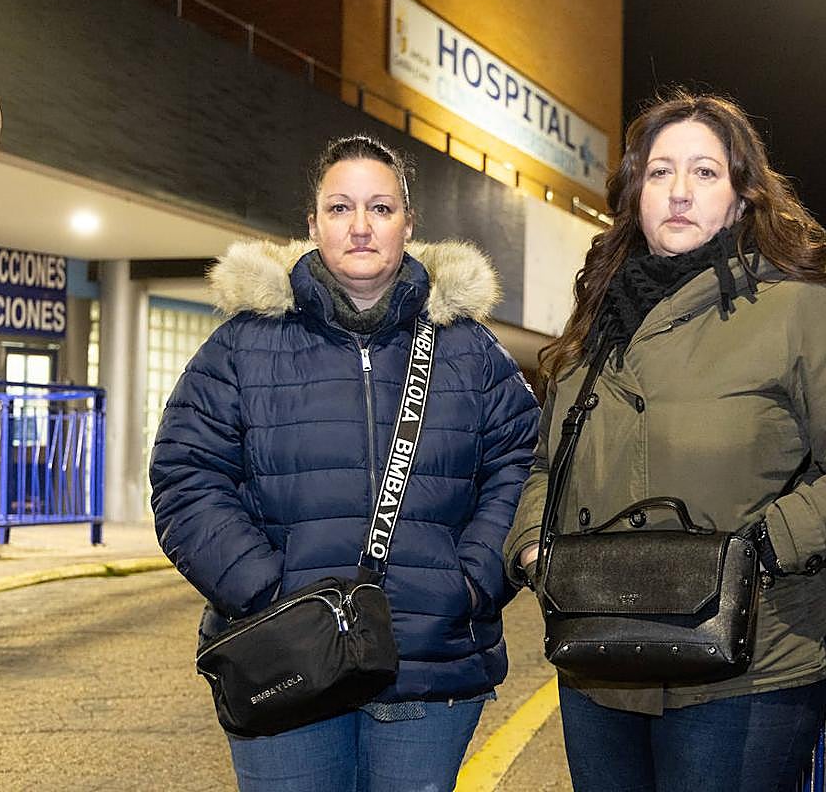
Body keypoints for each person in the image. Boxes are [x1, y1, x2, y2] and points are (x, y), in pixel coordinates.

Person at [503, 91, 826, 791]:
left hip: (742, 669)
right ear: (635, 194)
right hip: (597, 661)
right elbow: (549, 462)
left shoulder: (803, 306)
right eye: (660, 172)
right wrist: (532, 546)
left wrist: (769, 541)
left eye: (704, 172)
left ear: (740, 197)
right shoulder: (599, 318)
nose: (679, 191)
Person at [151, 135, 540, 791]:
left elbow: (521, 468)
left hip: (430, 662)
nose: (360, 226)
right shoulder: (243, 345)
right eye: (340, 208)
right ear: (313, 225)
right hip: (284, 657)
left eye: (381, 208)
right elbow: (186, 477)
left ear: (408, 225)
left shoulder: (470, 350)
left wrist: (469, 584)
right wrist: (264, 592)